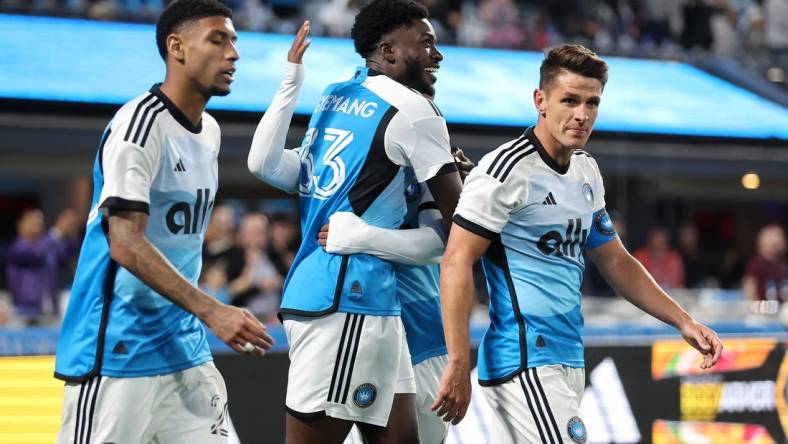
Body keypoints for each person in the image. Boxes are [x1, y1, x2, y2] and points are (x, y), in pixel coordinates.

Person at [432, 44, 723, 443]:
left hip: (567, 356)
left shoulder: (586, 171)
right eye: (569, 100)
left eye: (592, 103)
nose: (581, 114)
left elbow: (617, 261)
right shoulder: (505, 170)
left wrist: (684, 320)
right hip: (526, 360)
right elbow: (455, 262)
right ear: (541, 100)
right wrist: (459, 360)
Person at [54, 1, 274, 442]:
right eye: (218, 39)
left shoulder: (209, 132)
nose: (233, 53)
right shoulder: (137, 128)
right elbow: (125, 243)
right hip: (118, 350)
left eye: (234, 41)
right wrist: (213, 309)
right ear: (177, 47)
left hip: (184, 348)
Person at [247, 1, 462, 441]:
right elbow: (461, 229)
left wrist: (291, 81)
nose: (437, 55)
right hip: (347, 300)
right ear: (388, 50)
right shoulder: (416, 111)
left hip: (361, 299)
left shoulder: (337, 95)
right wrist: (482, 186)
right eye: (426, 44)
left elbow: (265, 165)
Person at [5, 209, 62, 325]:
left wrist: (69, 233)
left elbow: (66, 253)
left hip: (49, 310)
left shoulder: (48, 247)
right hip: (24, 311)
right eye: (32, 222)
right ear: (20, 226)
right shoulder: (16, 248)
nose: (37, 226)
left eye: (39, 223)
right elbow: (34, 255)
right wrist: (57, 233)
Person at [743, 224, 788, 302]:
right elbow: (750, 290)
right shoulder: (755, 264)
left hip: (780, 309)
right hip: (762, 309)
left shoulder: (782, 264)